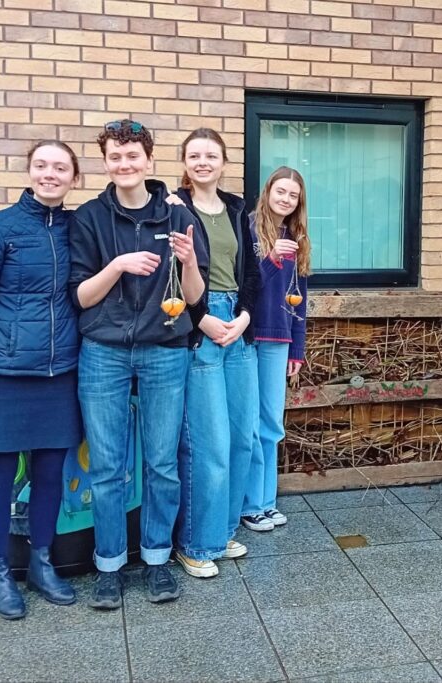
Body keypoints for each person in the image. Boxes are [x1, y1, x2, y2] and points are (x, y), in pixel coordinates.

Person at [69, 120, 208, 609]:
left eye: (133, 156)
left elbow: (194, 300)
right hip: (103, 351)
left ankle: (155, 559)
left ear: (149, 160)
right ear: (105, 162)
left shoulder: (178, 214)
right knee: (107, 466)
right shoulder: (88, 218)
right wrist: (118, 265)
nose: (124, 164)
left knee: (161, 463)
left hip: (164, 350)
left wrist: (189, 261)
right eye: (115, 156)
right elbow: (83, 297)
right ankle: (109, 565)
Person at [0, 140, 83, 620]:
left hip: (60, 374)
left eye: (60, 168)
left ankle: (41, 563)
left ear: (73, 178)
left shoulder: (77, 228)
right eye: (41, 166)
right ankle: (0, 572)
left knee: (50, 475)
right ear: (29, 172)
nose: (49, 174)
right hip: (5, 375)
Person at [172, 128, 261, 577]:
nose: (203, 162)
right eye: (194, 155)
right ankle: (194, 543)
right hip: (200, 326)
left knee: (243, 435)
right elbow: (167, 278)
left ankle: (221, 533)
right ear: (185, 163)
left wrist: (244, 316)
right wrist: (202, 317)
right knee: (210, 442)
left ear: (224, 161)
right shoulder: (172, 207)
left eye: (211, 155)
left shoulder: (236, 209)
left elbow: (251, 273)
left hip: (239, 328)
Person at [241, 166, 311, 532]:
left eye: (293, 195)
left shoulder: (295, 237)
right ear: (267, 191)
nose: (285, 199)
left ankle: (266, 502)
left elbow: (300, 300)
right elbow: (245, 286)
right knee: (249, 425)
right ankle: (250, 504)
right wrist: (271, 260)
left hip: (279, 340)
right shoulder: (248, 227)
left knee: (271, 424)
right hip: (247, 336)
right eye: (280, 191)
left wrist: (297, 350)